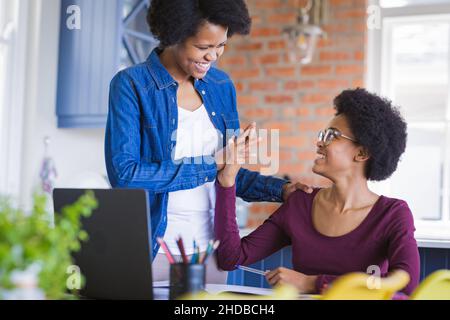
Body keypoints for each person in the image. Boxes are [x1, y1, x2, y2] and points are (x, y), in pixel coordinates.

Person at [104, 0, 309, 284]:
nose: (213, 56)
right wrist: (213, 163)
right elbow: (126, 176)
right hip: (154, 252)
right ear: (174, 35)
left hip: (210, 253)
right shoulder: (132, 85)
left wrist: (282, 189)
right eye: (203, 47)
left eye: (221, 45)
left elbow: (229, 173)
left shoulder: (221, 86)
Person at [215, 88, 420, 295]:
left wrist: (314, 283)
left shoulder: (393, 214)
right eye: (323, 134)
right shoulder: (300, 203)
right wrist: (227, 180)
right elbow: (230, 257)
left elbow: (405, 286)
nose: (320, 142)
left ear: (362, 153)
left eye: (332, 136)